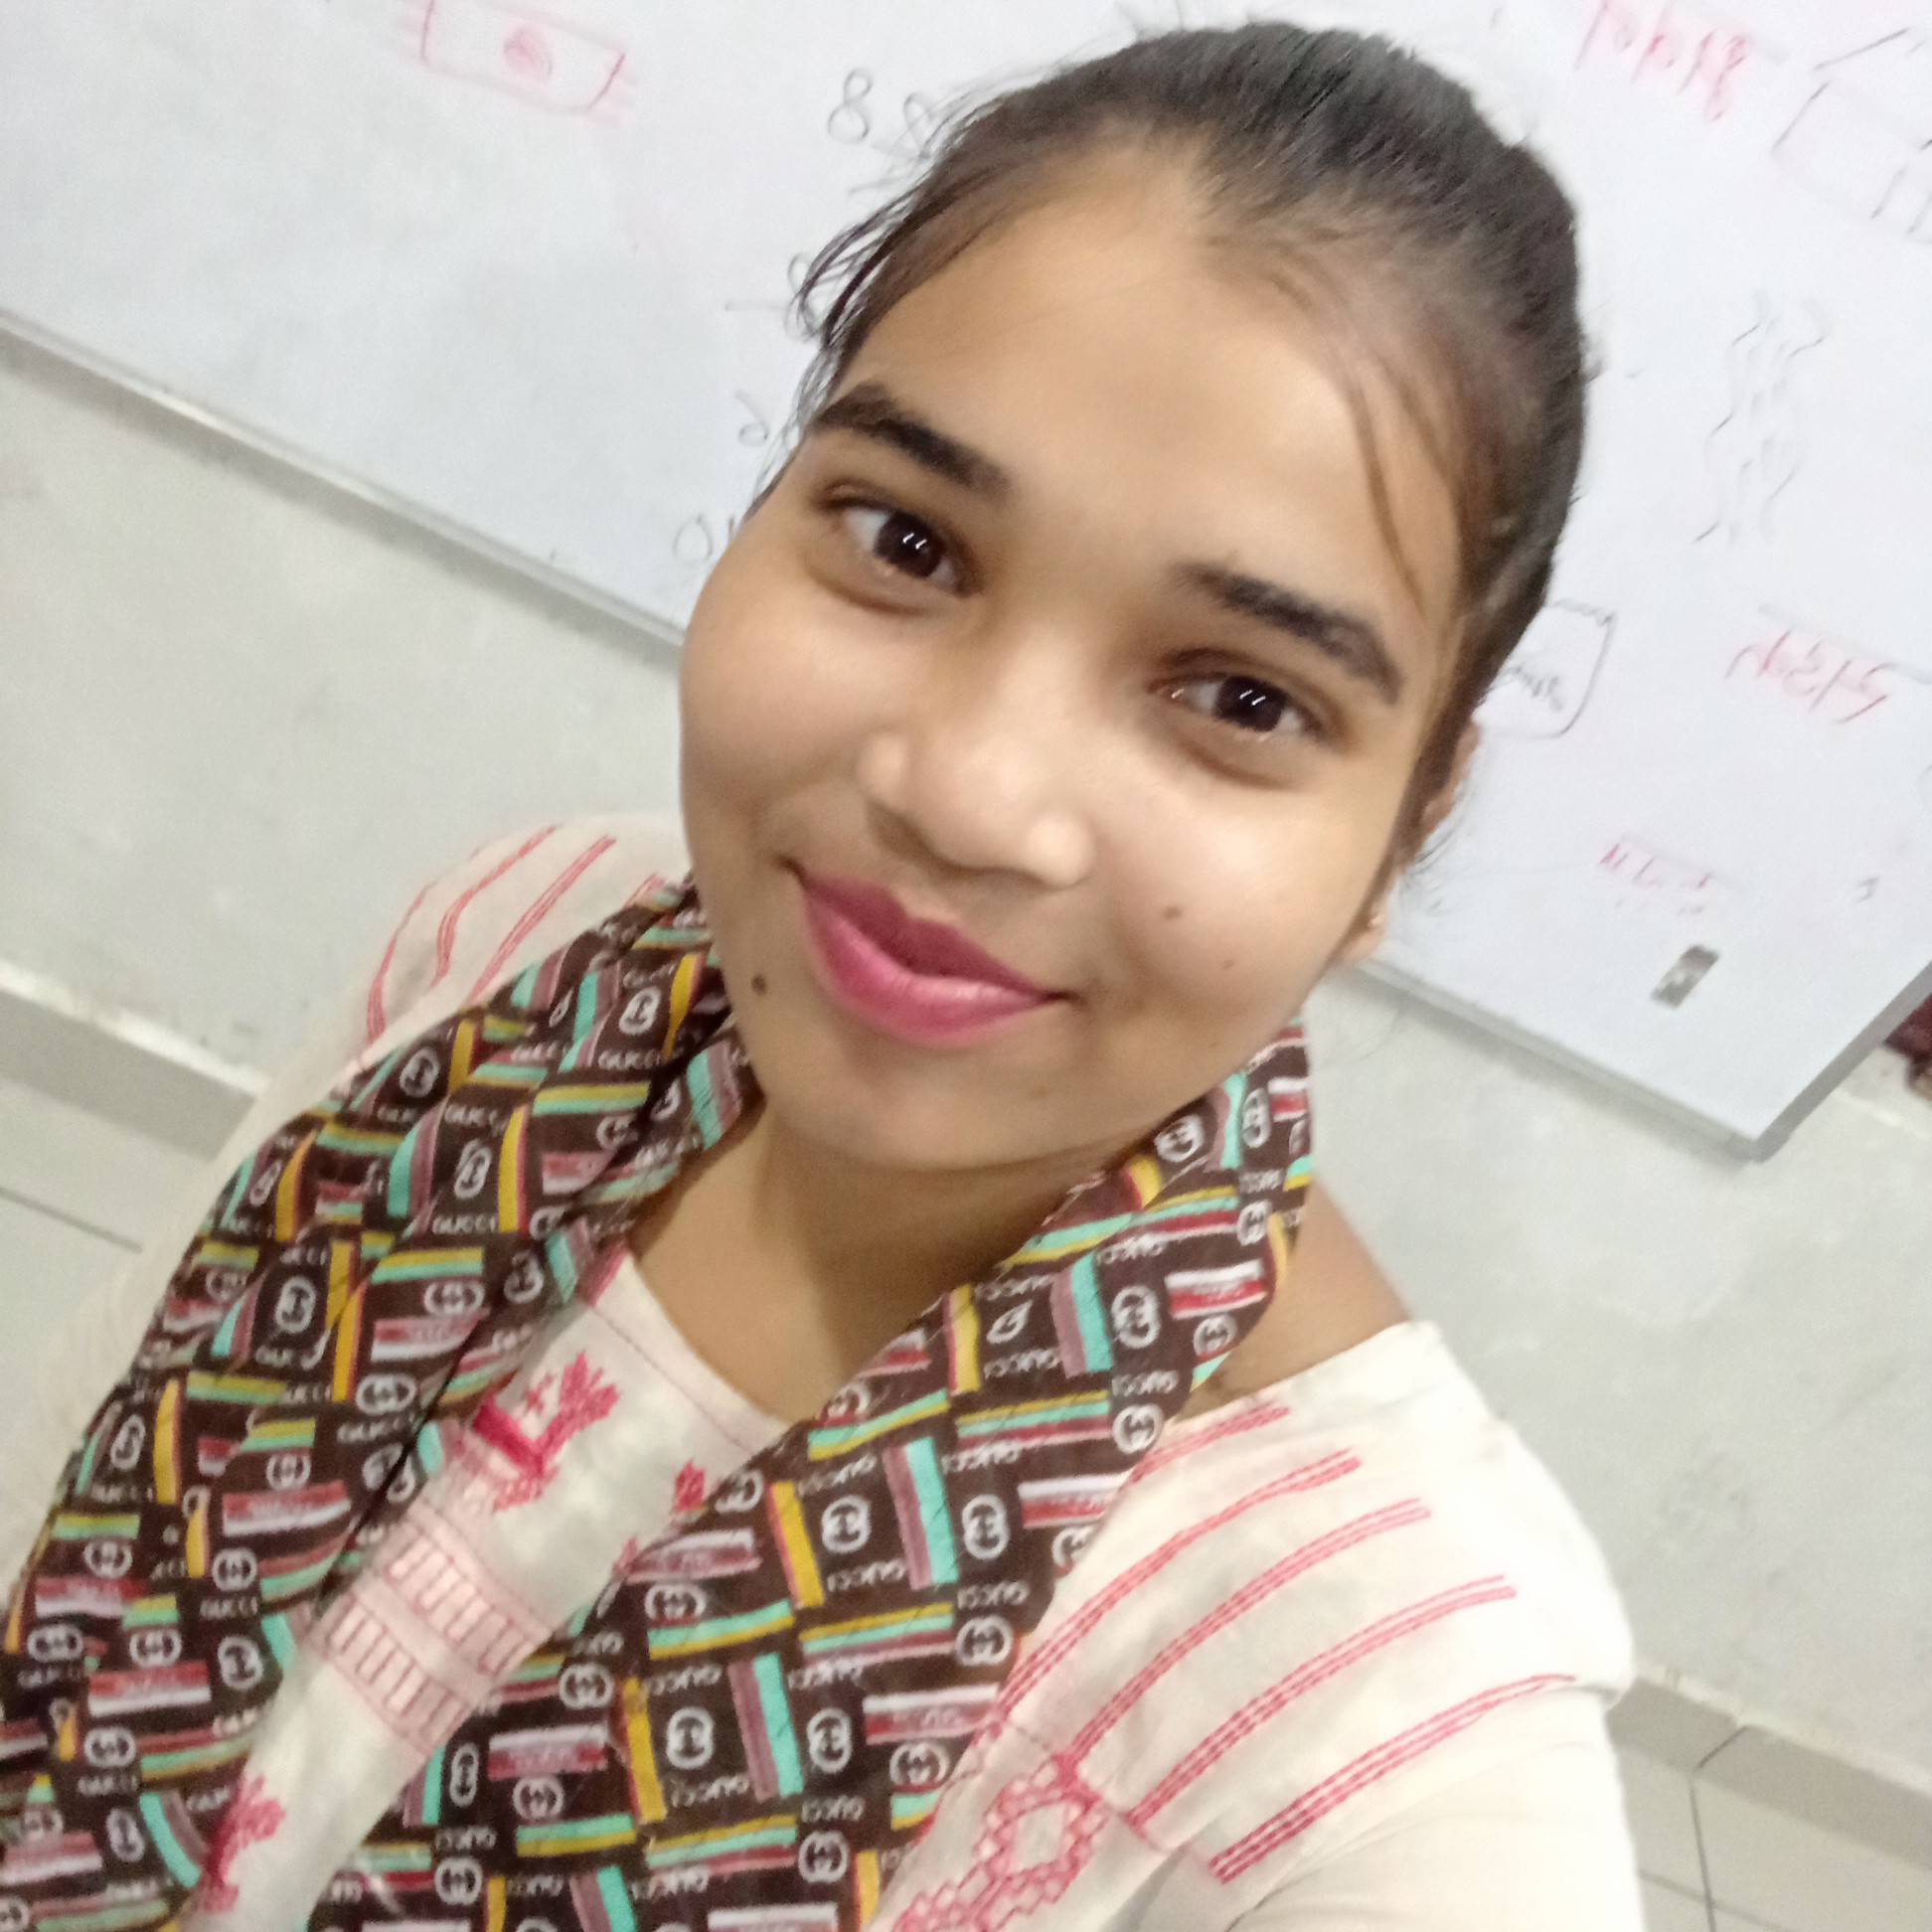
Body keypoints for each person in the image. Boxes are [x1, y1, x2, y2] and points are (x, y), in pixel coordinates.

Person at [0, 22, 1644, 1930]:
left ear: (1409, 824)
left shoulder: (1378, 1736)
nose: (968, 793)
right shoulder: (514, 941)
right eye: (907, 540)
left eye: (1241, 697)